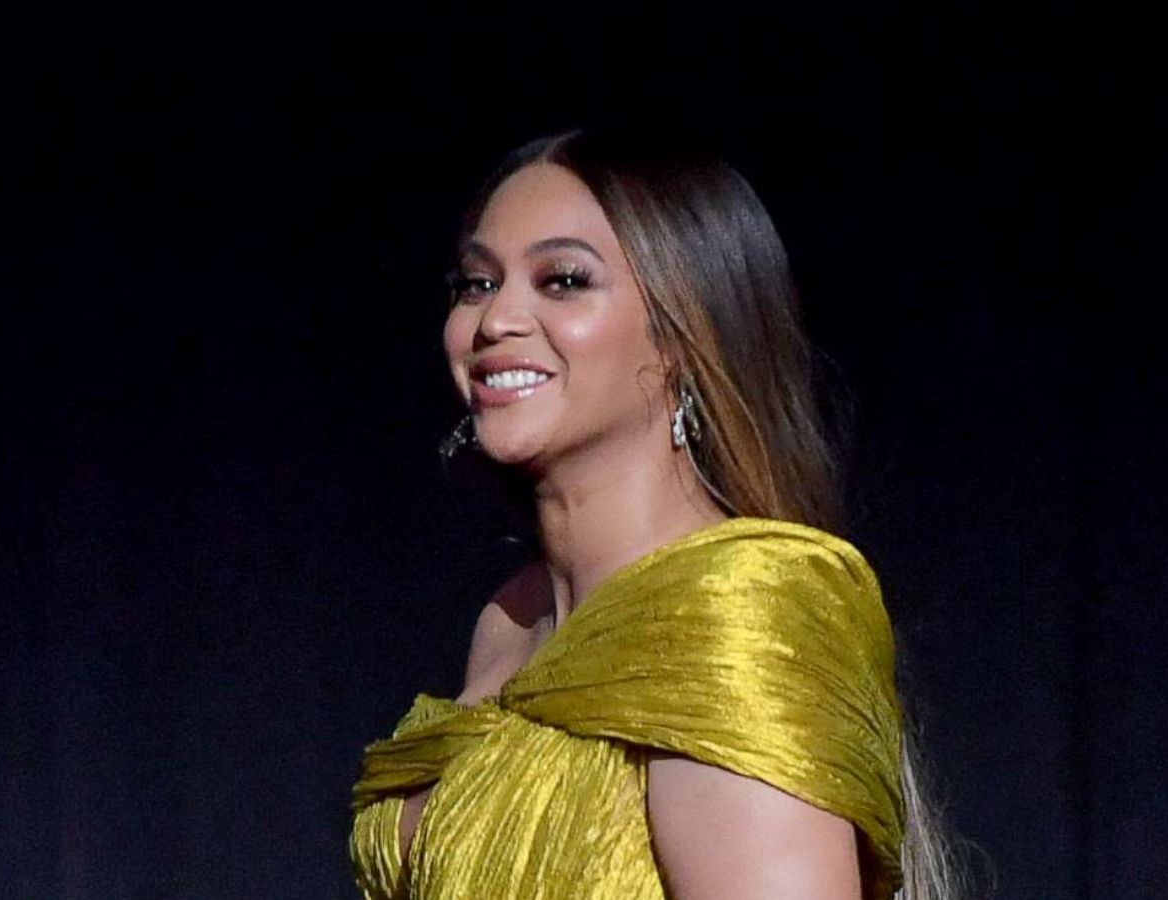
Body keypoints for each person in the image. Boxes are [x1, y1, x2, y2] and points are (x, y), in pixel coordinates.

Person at [348, 129, 955, 899]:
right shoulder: (510, 621)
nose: (496, 319)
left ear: (683, 331)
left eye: (562, 280)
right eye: (476, 283)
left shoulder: (733, 608)